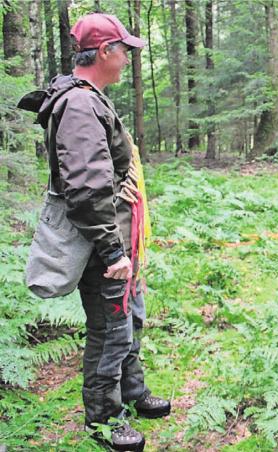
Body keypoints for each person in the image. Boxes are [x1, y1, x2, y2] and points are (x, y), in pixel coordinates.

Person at [26, 13, 169, 450]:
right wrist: (112, 253)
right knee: (111, 330)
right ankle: (104, 421)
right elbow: (85, 190)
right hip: (103, 245)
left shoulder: (91, 97)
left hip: (121, 237)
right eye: (123, 50)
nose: (127, 59)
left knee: (132, 317)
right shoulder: (80, 105)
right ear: (104, 51)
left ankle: (131, 391)